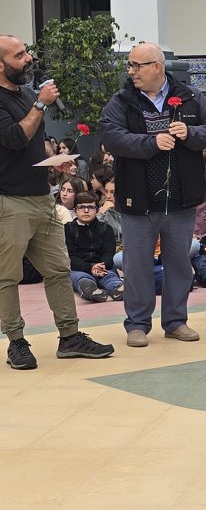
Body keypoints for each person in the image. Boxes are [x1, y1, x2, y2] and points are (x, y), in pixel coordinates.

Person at [0, 34, 113, 369]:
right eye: (19, 55)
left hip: (41, 198)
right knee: (7, 277)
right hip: (9, 201)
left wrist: (54, 165)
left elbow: (31, 145)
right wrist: (40, 104)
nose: (28, 58)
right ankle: (16, 342)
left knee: (59, 270)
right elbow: (15, 137)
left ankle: (70, 336)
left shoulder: (26, 94)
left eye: (26, 52)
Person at [100, 42, 206, 347]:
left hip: (181, 199)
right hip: (137, 201)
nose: (131, 71)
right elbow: (111, 137)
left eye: (136, 66)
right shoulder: (122, 101)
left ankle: (176, 321)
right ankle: (137, 324)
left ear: (157, 67)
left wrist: (191, 134)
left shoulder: (190, 96)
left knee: (179, 263)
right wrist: (151, 143)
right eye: (129, 65)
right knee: (136, 266)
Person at [65, 191, 123, 303]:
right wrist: (90, 267)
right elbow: (70, 256)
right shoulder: (68, 229)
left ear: (97, 210)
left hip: (103, 268)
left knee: (110, 276)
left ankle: (117, 288)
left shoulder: (106, 229)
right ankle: (90, 290)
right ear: (75, 210)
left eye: (91, 207)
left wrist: (100, 266)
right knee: (80, 278)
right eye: (81, 207)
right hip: (78, 269)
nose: (86, 210)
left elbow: (109, 253)